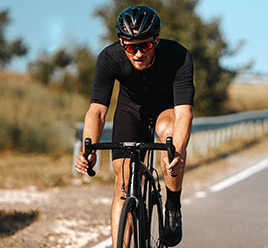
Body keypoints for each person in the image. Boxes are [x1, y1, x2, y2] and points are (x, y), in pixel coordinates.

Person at [74, 5, 194, 247]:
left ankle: (172, 205)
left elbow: (184, 114)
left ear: (156, 40)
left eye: (145, 46)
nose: (138, 53)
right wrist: (89, 151)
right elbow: (97, 111)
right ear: (121, 43)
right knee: (124, 180)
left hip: (165, 110)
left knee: (170, 138)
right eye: (130, 47)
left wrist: (178, 154)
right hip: (131, 110)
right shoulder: (109, 58)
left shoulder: (178, 57)